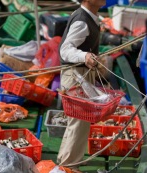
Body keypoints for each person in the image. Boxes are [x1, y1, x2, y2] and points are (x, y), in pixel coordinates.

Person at [57, 0, 106, 172]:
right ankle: (69, 165)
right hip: (76, 75)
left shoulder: (90, 17)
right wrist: (85, 56)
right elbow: (65, 50)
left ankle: (69, 159)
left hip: (82, 74)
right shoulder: (82, 20)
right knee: (78, 120)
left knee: (81, 120)